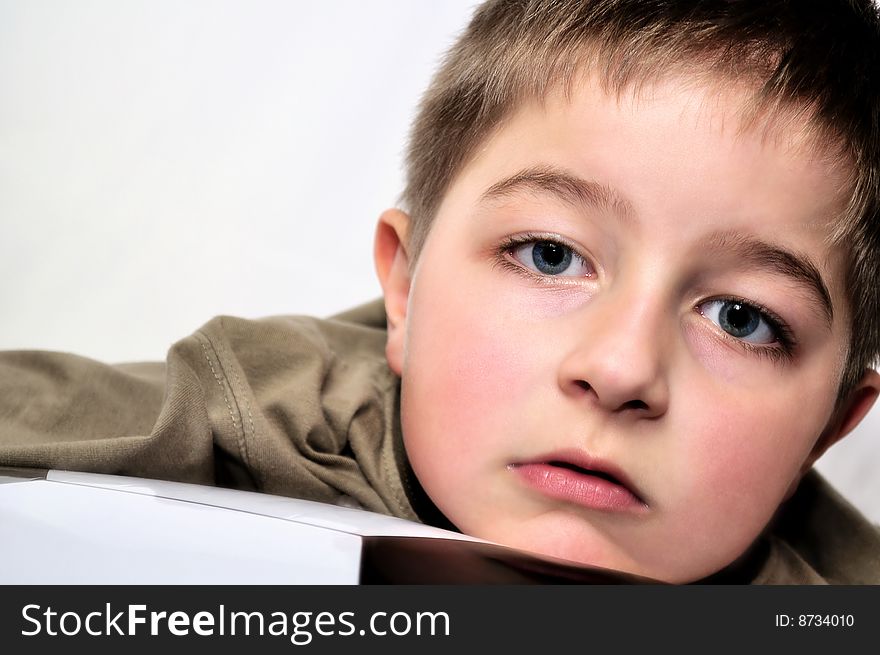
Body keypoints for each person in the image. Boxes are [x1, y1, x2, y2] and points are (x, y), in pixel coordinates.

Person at [2, 0, 880, 584]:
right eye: (547, 254)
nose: (618, 368)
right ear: (407, 288)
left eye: (742, 318)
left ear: (832, 422)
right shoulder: (242, 413)